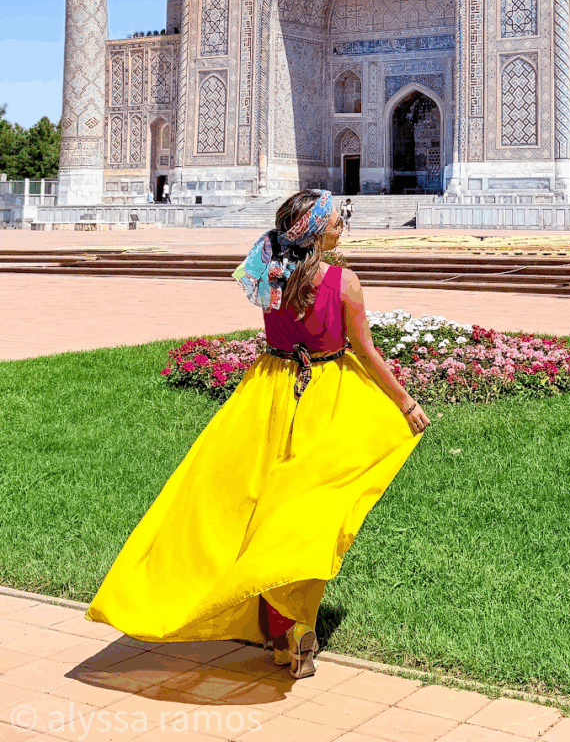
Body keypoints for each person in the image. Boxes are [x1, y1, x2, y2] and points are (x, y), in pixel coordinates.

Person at [83, 188, 429, 679]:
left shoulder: (268, 273)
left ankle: (276, 630)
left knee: (255, 509)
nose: (342, 225)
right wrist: (405, 402)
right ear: (315, 230)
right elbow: (366, 351)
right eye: (335, 219)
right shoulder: (343, 282)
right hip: (326, 394)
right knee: (304, 517)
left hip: (267, 393)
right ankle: (296, 627)